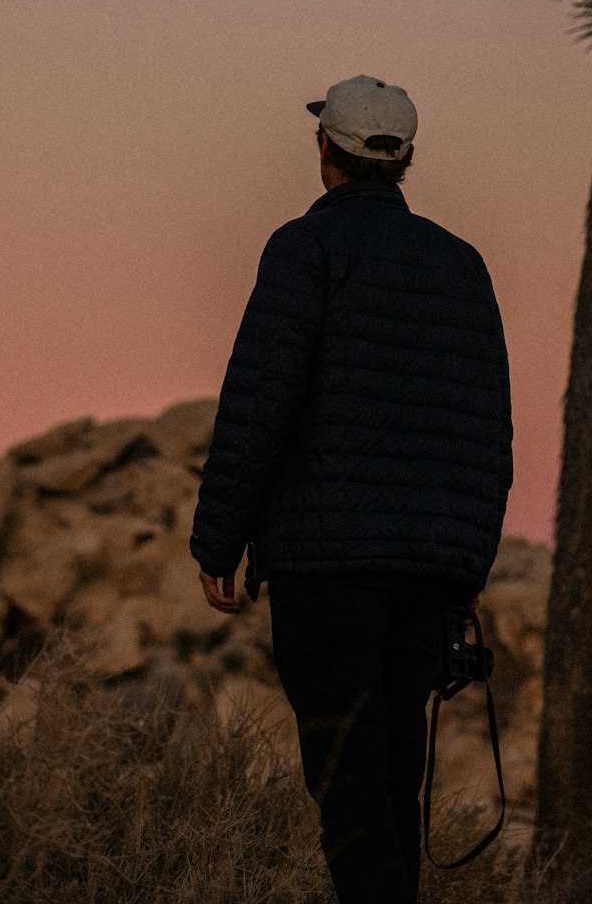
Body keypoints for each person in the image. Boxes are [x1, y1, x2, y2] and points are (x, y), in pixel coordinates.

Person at [190, 74, 513, 904]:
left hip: (327, 562)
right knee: (394, 778)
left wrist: (218, 539)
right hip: (429, 574)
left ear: (324, 149)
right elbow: (489, 431)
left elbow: (263, 399)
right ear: (406, 160)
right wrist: (465, 570)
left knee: (347, 779)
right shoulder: (462, 264)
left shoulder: (306, 247)